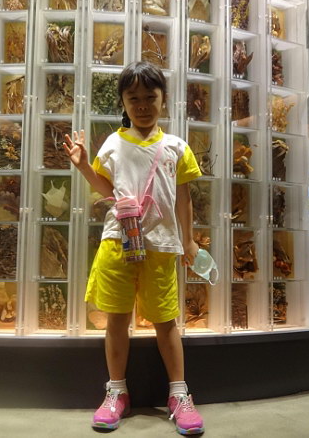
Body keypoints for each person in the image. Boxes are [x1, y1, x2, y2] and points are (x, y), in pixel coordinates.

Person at [63, 61, 205, 436]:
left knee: (166, 321)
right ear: (123, 103)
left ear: (163, 99)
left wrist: (188, 240)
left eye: (149, 97)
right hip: (118, 242)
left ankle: (179, 394)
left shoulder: (177, 147)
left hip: (161, 246)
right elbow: (107, 190)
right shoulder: (113, 144)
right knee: (116, 319)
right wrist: (83, 166)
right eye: (133, 98)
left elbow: (184, 198)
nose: (142, 105)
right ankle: (116, 392)